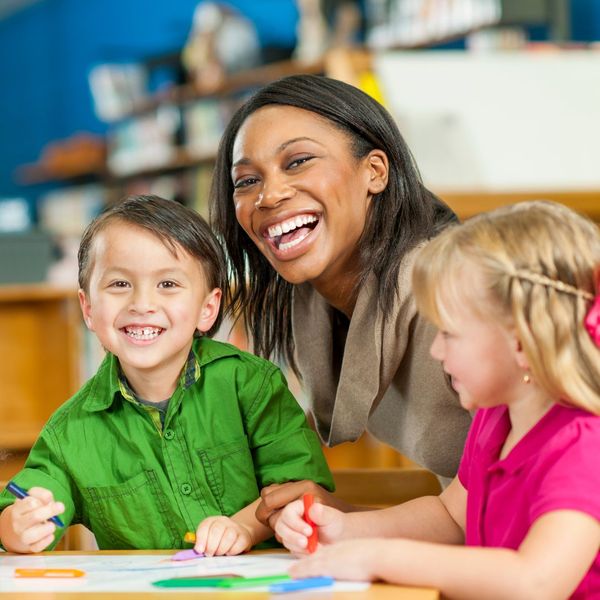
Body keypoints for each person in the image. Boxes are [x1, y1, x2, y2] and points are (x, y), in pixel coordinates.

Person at [275, 201, 600, 599]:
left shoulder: (582, 445)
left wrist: (381, 557)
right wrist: (343, 529)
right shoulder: (494, 419)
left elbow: (534, 581)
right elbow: (451, 516)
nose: (436, 351)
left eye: (450, 333)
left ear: (520, 340)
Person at [0, 195, 333, 555]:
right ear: (89, 308)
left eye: (168, 285)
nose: (142, 304)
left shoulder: (252, 386)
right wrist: (15, 528)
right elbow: (23, 503)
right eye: (119, 285)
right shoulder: (70, 433)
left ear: (207, 309)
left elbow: (301, 487)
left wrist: (244, 527)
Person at [209, 73, 472, 522]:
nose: (269, 195)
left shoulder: (456, 291)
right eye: (246, 180)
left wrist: (349, 522)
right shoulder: (313, 309)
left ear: (374, 171)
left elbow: (503, 500)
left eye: (297, 161)